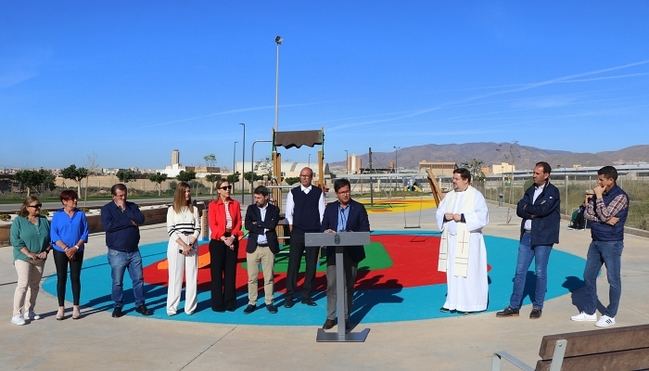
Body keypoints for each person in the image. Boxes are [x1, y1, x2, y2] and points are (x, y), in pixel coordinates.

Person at [496, 162, 560, 319]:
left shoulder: (553, 192)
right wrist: (531, 211)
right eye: (533, 172)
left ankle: (537, 306)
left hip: (543, 238)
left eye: (537, 173)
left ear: (546, 175)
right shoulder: (530, 190)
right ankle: (514, 306)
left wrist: (528, 209)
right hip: (527, 236)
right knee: (519, 272)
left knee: (540, 272)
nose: (534, 175)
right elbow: (519, 209)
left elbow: (543, 210)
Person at [571, 166, 629, 328]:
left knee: (613, 279)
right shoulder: (601, 195)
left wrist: (597, 198)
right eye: (598, 179)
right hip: (595, 241)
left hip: (612, 243)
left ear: (611, 180)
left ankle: (610, 314)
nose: (599, 182)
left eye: (601, 179)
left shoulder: (621, 197)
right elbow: (587, 214)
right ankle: (590, 312)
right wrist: (602, 217)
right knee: (588, 276)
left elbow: (603, 214)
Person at [435, 168, 489, 313]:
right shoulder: (450, 195)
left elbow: (483, 217)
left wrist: (463, 217)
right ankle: (452, 302)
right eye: (453, 178)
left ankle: (470, 304)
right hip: (452, 241)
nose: (454, 181)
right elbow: (440, 211)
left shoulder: (476, 196)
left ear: (466, 180)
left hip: (469, 241)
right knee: (453, 271)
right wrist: (445, 216)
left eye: (457, 179)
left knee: (468, 272)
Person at [321, 178, 369, 330]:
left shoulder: (359, 208)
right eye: (342, 192)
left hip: (351, 252)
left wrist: (352, 234)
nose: (346, 195)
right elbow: (323, 226)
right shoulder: (330, 208)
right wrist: (326, 232)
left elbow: (365, 230)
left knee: (348, 286)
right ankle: (330, 317)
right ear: (336, 193)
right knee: (332, 285)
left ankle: (345, 317)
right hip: (333, 252)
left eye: (347, 191)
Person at [101, 183, 153, 318]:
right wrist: (129, 221)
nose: (123, 198)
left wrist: (125, 210)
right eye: (120, 196)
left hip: (134, 251)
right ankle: (118, 305)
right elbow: (109, 226)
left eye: (125, 195)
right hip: (117, 252)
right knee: (117, 281)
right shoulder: (107, 209)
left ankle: (140, 304)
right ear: (113, 196)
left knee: (139, 279)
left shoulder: (132, 206)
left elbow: (141, 219)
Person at [284, 167, 326, 308]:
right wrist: (291, 225)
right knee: (293, 265)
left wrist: (321, 231)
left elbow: (322, 213)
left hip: (314, 233)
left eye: (307, 176)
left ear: (311, 177)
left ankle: (306, 296)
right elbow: (289, 212)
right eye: (302, 176)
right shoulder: (293, 192)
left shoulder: (318, 193)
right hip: (297, 232)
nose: (305, 178)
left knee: (311, 266)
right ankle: (289, 295)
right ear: (299, 177)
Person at [10, 196, 51, 326]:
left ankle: (30, 310)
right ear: (27, 207)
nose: (38, 208)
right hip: (23, 257)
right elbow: (15, 240)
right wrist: (29, 253)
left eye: (39, 205)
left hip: (40, 258)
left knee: (34, 285)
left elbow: (51, 238)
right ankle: (16, 314)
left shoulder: (44, 220)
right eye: (35, 206)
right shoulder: (19, 221)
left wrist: (46, 251)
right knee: (23, 284)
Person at [50, 190, 89, 320]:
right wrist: (66, 248)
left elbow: (85, 232)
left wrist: (76, 247)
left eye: (76, 199)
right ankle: (61, 308)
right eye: (73, 199)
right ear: (64, 202)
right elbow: (54, 234)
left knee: (75, 277)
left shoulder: (81, 215)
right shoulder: (57, 215)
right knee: (61, 278)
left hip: (77, 250)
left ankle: (76, 307)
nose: (75, 201)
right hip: (60, 251)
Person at [243, 186, 280, 314]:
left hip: (268, 248)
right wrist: (262, 226)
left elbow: (272, 225)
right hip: (253, 247)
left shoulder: (274, 209)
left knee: (268, 277)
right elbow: (247, 225)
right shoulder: (251, 208)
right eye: (255, 197)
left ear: (266, 197)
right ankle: (252, 302)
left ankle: (269, 302)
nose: (256, 199)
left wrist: (257, 223)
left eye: (259, 197)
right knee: (252, 278)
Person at [166, 182, 200, 316]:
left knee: (192, 275)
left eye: (189, 191)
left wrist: (190, 243)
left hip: (192, 242)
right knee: (175, 276)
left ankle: (190, 307)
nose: (187, 194)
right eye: (185, 192)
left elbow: (197, 228)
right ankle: (172, 307)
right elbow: (171, 229)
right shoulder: (172, 209)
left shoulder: (194, 209)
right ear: (179, 193)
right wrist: (183, 245)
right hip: (176, 243)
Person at [208, 179, 243, 312]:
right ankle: (217, 303)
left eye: (229, 187)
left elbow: (238, 223)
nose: (228, 189)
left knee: (230, 273)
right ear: (218, 190)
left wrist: (233, 237)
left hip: (232, 240)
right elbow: (213, 225)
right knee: (216, 274)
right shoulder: (213, 205)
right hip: (218, 242)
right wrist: (224, 239)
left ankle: (230, 302)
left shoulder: (235, 204)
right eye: (224, 188)